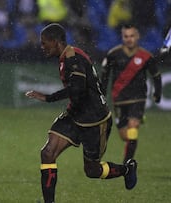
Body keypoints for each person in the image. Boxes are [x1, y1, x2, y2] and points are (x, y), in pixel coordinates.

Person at [25, 23, 137, 203]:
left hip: (95, 120)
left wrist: (48, 98)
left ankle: (127, 169)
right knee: (47, 153)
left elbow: (77, 90)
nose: (42, 47)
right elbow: (76, 93)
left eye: (45, 43)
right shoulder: (66, 56)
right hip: (75, 114)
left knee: (92, 170)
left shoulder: (72, 58)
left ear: (56, 42)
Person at [100, 24, 162, 163]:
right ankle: (139, 119)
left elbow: (156, 75)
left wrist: (157, 93)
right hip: (119, 99)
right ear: (122, 37)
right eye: (126, 36)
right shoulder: (113, 54)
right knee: (124, 136)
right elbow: (105, 75)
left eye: (132, 36)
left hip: (138, 98)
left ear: (137, 36)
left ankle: (127, 164)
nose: (129, 39)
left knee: (133, 128)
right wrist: (102, 93)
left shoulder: (145, 56)